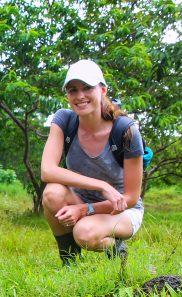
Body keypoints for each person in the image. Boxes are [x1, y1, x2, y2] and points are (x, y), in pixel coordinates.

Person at [41, 59, 144, 266]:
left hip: (121, 210)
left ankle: (116, 250)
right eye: (72, 90)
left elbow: (131, 198)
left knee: (84, 233)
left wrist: (85, 210)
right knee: (52, 193)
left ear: (103, 90)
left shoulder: (125, 130)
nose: (80, 96)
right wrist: (102, 185)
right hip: (81, 199)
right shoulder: (64, 120)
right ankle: (70, 262)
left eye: (87, 87)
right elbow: (47, 171)